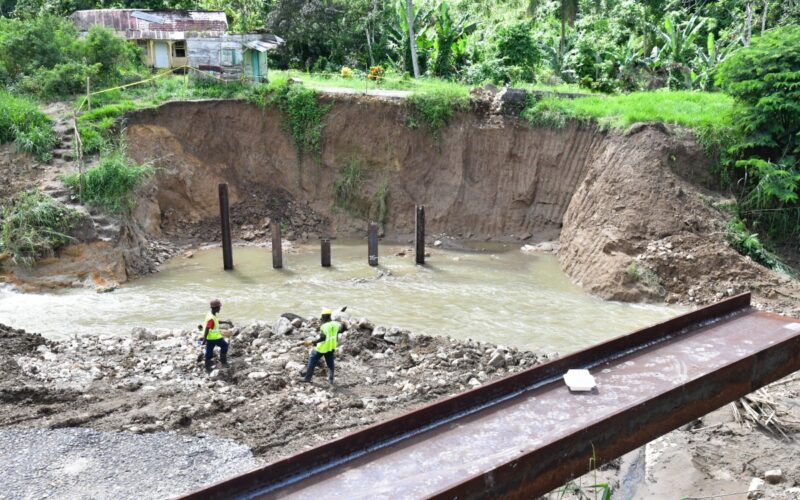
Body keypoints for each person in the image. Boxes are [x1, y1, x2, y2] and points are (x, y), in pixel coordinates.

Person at [301, 308, 342, 384]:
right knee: (330, 363)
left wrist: (314, 342)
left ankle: (307, 378)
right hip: (331, 347)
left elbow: (323, 338)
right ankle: (330, 380)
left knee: (312, 359)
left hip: (322, 348)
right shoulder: (336, 324)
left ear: (323, 316)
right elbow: (338, 331)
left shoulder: (324, 326)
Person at [202, 298, 233, 373]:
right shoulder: (211, 318)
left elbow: (216, 321)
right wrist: (204, 339)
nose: (220, 308)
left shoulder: (211, 314)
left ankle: (207, 364)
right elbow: (207, 328)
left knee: (209, 349)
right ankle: (223, 362)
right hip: (214, 337)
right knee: (225, 345)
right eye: (219, 307)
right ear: (215, 308)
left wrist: (226, 322)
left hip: (210, 337)